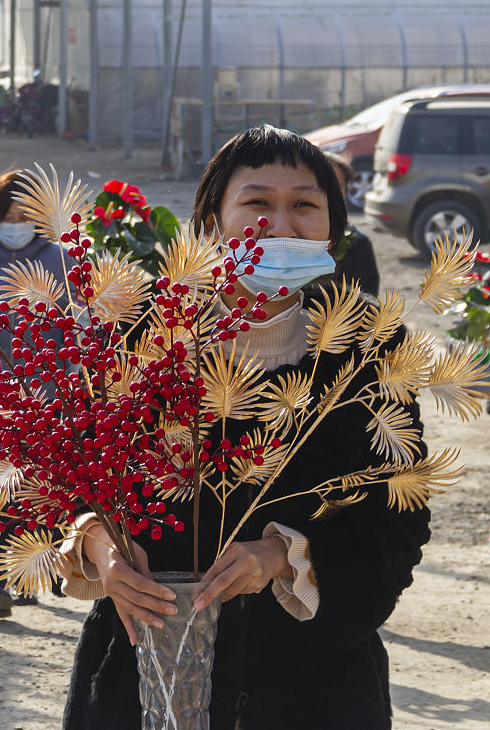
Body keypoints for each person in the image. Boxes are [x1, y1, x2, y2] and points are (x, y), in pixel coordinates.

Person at [60, 125, 430, 729]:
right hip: (145, 667)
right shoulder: (142, 331)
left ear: (332, 233)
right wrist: (101, 553)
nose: (280, 225)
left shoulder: (370, 346)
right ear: (211, 222)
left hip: (312, 686)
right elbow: (70, 474)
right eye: (257, 203)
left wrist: (284, 557)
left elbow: (400, 513)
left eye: (305, 206)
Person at [0, 169, 74, 618]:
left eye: (24, 215)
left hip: (47, 400)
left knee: (36, 492)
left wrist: (70, 387)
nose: (15, 223)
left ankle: (27, 576)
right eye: (7, 215)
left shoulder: (61, 261)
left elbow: (76, 330)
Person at [322, 151, 381, 294]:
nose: (327, 195)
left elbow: (369, 305)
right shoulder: (288, 239)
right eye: (322, 185)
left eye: (335, 187)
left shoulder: (358, 245)